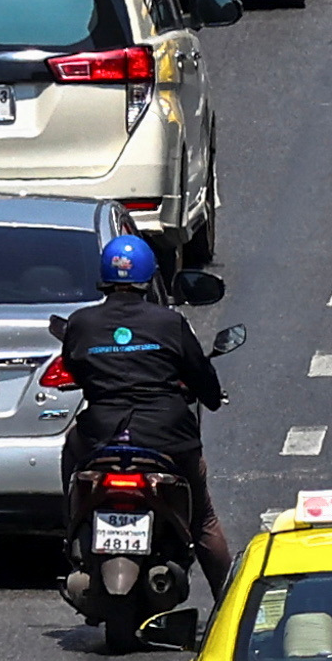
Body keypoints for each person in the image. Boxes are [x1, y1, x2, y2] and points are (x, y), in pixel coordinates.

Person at [48, 231, 225, 569]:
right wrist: (211, 397)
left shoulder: (81, 323)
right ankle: (230, 609)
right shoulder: (170, 322)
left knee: (71, 449)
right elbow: (200, 373)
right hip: (168, 435)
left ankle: (73, 526)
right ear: (148, 276)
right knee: (203, 520)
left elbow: (75, 368)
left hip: (100, 436)